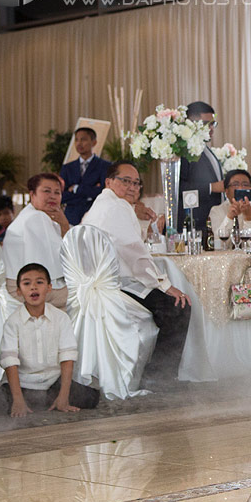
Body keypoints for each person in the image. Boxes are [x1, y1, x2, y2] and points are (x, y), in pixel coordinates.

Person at [84, 161, 192, 380]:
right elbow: (134, 254)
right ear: (108, 182)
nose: (133, 187)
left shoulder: (102, 204)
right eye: (126, 181)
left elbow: (129, 243)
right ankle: (159, 377)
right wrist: (165, 285)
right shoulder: (116, 207)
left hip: (101, 282)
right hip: (117, 286)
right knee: (178, 307)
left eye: (136, 183)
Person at [0, 263, 101, 416]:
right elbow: (10, 361)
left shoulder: (61, 318)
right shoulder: (12, 322)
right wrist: (18, 400)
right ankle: (29, 400)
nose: (33, 287)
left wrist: (63, 396)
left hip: (54, 382)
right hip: (24, 383)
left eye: (39, 282)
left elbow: (67, 357)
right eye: (26, 283)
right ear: (19, 291)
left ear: (49, 288)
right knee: (0, 405)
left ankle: (55, 399)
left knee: (91, 399)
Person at [3, 172, 70, 307]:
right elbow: (66, 254)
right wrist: (65, 225)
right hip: (24, 290)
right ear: (32, 194)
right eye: (46, 191)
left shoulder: (33, 213)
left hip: (22, 283)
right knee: (87, 295)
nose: (52, 196)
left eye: (57, 192)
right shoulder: (36, 218)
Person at [178, 101, 224, 232]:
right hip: (195, 223)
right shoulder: (183, 152)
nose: (211, 128)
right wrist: (211, 187)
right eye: (205, 124)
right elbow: (179, 187)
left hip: (211, 219)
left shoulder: (205, 149)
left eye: (212, 124)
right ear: (190, 123)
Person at [59, 126, 111, 225]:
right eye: (76, 140)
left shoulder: (105, 166)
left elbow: (104, 193)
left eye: (83, 139)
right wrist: (89, 194)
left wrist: (76, 189)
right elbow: (62, 196)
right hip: (71, 218)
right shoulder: (67, 168)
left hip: (95, 216)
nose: (79, 143)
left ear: (94, 142)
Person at [209, 170, 251, 239]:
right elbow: (219, 244)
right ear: (226, 191)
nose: (240, 188)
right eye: (235, 184)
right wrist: (229, 217)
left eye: (245, 185)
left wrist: (249, 218)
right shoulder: (216, 211)